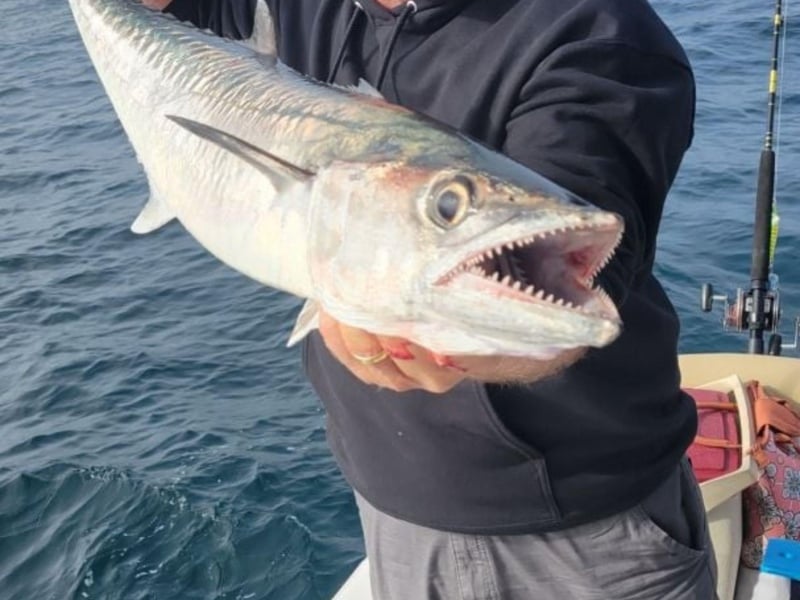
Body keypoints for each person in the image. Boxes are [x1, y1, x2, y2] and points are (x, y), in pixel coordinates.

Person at [143, 0, 713, 597]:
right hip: (394, 509)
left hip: (594, 536)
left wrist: (457, 345)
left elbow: (582, 271)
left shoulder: (599, 34)